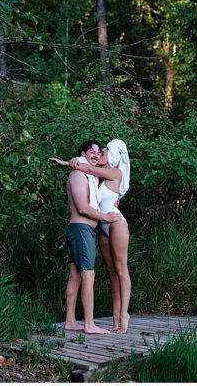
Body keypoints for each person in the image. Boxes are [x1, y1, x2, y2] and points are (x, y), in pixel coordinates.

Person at [51, 140, 120, 334]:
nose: (96, 155)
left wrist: (68, 162)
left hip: (82, 230)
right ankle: (89, 324)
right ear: (82, 153)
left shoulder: (86, 173)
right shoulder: (79, 175)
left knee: (75, 276)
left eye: (99, 153)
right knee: (89, 275)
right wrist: (105, 217)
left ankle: (70, 321)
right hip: (81, 228)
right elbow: (82, 207)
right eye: (92, 152)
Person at [68, 140, 131, 333]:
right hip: (101, 226)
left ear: (112, 155)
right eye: (98, 152)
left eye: (103, 152)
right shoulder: (98, 178)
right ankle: (114, 318)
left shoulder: (114, 172)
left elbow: (90, 169)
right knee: (111, 272)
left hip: (114, 222)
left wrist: (70, 162)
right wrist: (74, 163)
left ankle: (124, 315)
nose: (100, 154)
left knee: (121, 270)